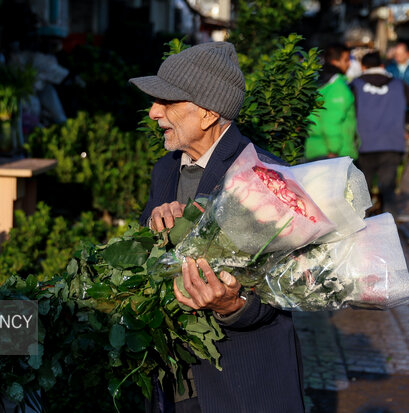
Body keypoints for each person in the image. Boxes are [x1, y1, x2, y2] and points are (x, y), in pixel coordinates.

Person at [129, 42, 304, 413]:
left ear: (208, 114)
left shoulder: (263, 177)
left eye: (167, 102)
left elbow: (283, 290)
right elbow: (147, 254)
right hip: (173, 385)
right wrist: (154, 224)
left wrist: (233, 306)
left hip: (237, 385)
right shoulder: (166, 168)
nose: (153, 112)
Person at [350, 51, 409, 218]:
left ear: (363, 67)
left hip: (364, 144)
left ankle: (358, 232)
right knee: (388, 191)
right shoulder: (398, 85)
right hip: (392, 144)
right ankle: (389, 229)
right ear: (382, 66)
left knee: (361, 194)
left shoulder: (355, 85)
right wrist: (406, 124)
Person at [305, 43, 358, 161]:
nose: (349, 63)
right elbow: (331, 121)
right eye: (346, 60)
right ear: (335, 62)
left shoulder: (319, 83)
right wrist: (333, 150)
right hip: (334, 154)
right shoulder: (337, 87)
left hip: (315, 150)